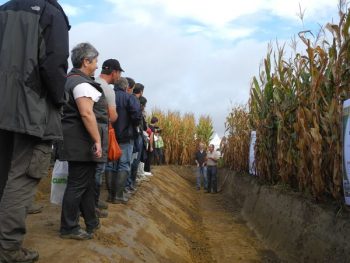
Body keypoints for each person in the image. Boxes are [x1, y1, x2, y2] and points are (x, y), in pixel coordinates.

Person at [0, 0, 69, 262]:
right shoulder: (50, 12)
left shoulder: (4, 8)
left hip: (3, 107)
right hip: (31, 109)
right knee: (22, 178)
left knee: (4, 176)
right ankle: (8, 250)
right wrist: (58, 100)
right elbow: (54, 65)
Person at [59, 43, 105, 240]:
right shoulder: (82, 84)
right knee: (77, 185)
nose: (96, 66)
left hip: (76, 141)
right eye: (95, 61)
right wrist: (97, 140)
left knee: (84, 184)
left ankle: (91, 221)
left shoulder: (70, 80)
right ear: (86, 61)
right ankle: (68, 227)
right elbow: (87, 114)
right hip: (81, 143)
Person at [106, 77, 141, 204]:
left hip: (109, 135)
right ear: (126, 87)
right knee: (124, 164)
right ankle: (118, 196)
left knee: (110, 164)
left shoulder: (108, 96)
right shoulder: (129, 98)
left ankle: (110, 196)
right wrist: (133, 125)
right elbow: (137, 115)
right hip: (126, 136)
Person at [94, 59, 122, 218]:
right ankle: (92, 205)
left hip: (85, 132)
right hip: (100, 131)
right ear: (114, 72)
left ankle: (90, 203)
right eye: (118, 73)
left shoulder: (90, 82)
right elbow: (112, 116)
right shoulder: (108, 90)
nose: (118, 76)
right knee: (97, 169)